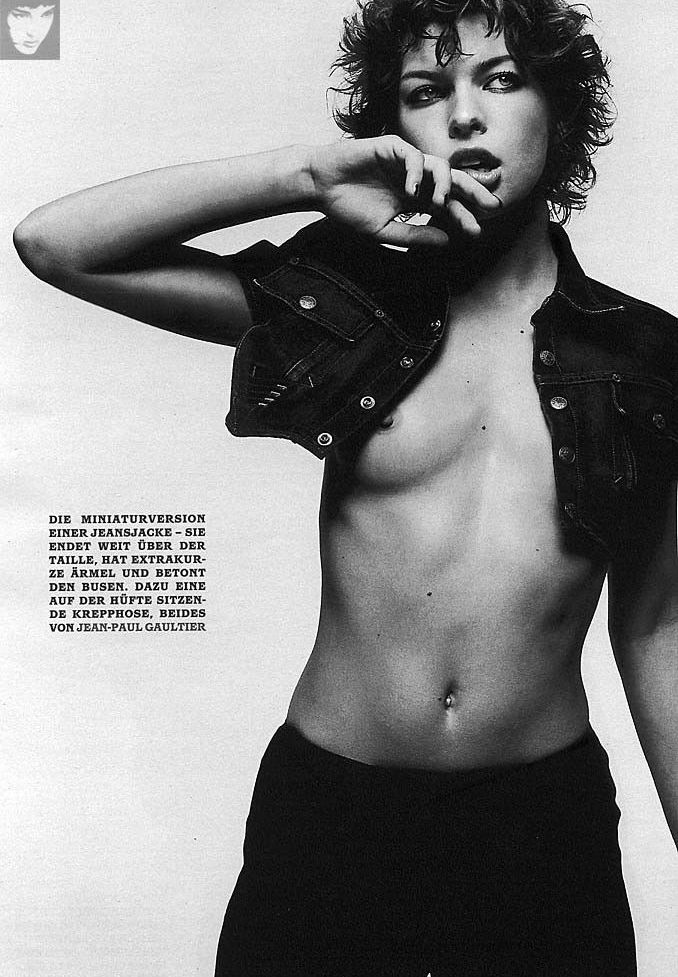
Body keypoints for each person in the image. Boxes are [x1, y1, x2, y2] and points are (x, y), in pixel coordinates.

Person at [13, 0, 678, 973]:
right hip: (333, 817)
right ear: (392, 129)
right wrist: (309, 176)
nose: (463, 115)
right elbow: (56, 243)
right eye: (425, 91)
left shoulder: (649, 358)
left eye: (500, 80)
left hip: (541, 831)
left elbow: (657, 628)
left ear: (559, 110)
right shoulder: (341, 303)